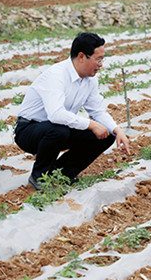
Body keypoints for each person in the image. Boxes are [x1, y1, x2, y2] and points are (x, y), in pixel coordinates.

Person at [14, 32, 131, 191]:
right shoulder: (56, 75)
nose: (101, 64)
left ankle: (61, 174)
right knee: (60, 130)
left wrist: (117, 130)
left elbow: (97, 110)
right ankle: (39, 176)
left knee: (105, 135)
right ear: (81, 56)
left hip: (58, 129)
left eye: (103, 59)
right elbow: (56, 114)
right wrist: (91, 124)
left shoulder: (90, 80)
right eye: (98, 59)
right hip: (29, 130)